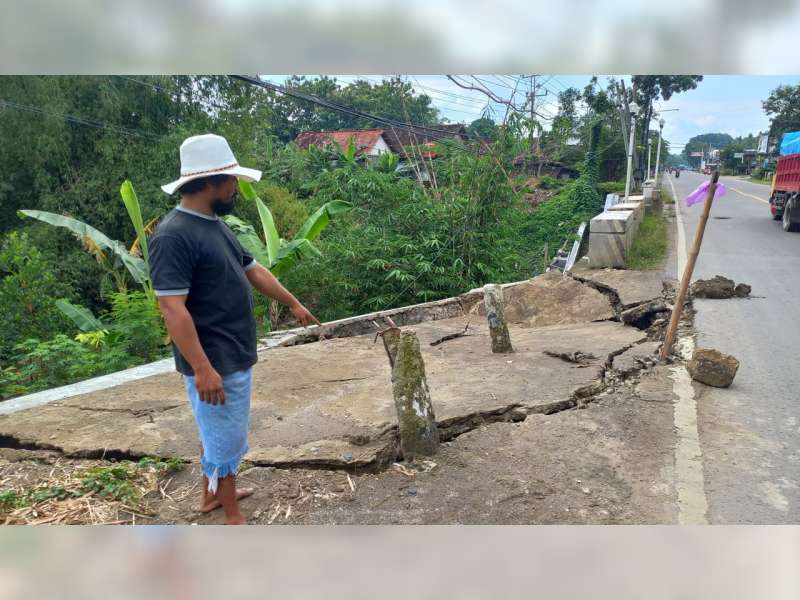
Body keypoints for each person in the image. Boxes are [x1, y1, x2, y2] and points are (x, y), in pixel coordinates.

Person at [149, 133, 319, 525]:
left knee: (219, 431)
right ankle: (233, 516)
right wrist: (203, 367)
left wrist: (291, 302)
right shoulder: (173, 236)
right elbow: (172, 309)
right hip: (214, 357)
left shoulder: (213, 224)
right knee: (226, 437)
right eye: (232, 181)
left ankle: (211, 497)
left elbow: (253, 269)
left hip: (231, 350)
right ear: (210, 183)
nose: (236, 188)